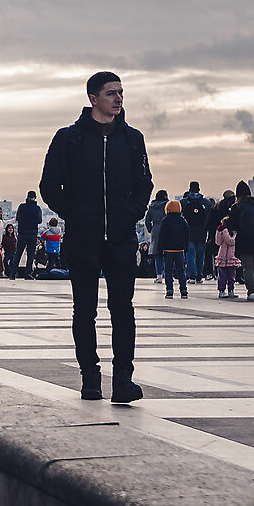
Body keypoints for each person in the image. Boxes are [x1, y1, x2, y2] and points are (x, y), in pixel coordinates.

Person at [39, 71, 154, 403]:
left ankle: (123, 381)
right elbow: (48, 186)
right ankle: (90, 378)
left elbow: (144, 183)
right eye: (111, 93)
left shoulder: (132, 139)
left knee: (123, 310)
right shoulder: (69, 138)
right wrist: (75, 214)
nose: (118, 98)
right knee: (84, 310)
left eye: (121, 93)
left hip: (120, 238)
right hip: (83, 238)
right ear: (93, 98)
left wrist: (131, 213)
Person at [230, 181, 254, 300]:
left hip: (245, 239)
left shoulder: (238, 206)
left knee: (248, 267)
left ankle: (250, 291)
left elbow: (233, 224)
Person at [156, 198, 190, 300]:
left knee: (168, 271)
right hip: (179, 250)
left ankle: (169, 291)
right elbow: (187, 236)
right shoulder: (183, 221)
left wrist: (160, 249)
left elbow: (162, 236)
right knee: (181, 271)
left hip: (168, 250)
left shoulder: (165, 221)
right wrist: (186, 248)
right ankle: (183, 291)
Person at [181, 182, 210, 284]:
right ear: (199, 189)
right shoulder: (206, 203)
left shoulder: (184, 202)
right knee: (200, 255)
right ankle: (199, 276)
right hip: (202, 232)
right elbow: (208, 219)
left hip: (189, 232)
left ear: (189, 189)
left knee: (190, 254)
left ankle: (192, 276)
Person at [12, 192, 41, 278]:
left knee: (18, 254)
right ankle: (27, 274)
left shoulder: (21, 207)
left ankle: (13, 273)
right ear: (35, 197)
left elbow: (17, 218)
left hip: (22, 233)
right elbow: (39, 220)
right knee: (30, 255)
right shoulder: (37, 208)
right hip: (32, 234)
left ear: (27, 197)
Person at [145, 189, 170, 282]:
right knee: (168, 253)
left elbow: (147, 221)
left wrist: (151, 229)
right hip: (167, 229)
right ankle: (168, 274)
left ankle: (159, 275)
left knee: (158, 254)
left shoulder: (152, 207)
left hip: (156, 229)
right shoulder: (168, 205)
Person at [214, 211, 239, 297]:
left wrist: (219, 231)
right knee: (231, 275)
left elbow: (218, 242)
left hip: (222, 254)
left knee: (222, 275)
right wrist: (234, 235)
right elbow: (230, 241)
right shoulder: (227, 231)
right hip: (230, 256)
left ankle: (222, 290)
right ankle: (229, 290)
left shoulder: (220, 231)